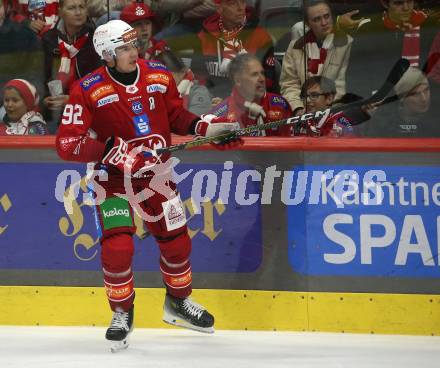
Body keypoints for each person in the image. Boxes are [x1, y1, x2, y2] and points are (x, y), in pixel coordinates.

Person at [55, 19, 241, 352]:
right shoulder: (86, 89)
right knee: (118, 247)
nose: (133, 51)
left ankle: (178, 303)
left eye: (133, 44)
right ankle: (123, 312)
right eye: (124, 48)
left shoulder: (157, 75)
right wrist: (113, 151)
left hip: (156, 176)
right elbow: (67, 143)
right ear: (107, 55)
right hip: (111, 181)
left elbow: (175, 116)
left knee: (177, 243)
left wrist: (205, 128)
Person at [346, 0, 438, 100]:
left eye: (410, 1)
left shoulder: (429, 25)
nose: (406, 8)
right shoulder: (369, 32)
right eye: (399, 3)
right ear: (385, 4)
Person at [280, 0, 353, 115]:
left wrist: (330, 112)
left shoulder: (343, 43)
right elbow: (289, 85)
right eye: (317, 19)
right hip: (304, 111)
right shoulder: (294, 48)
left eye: (326, 16)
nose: (324, 23)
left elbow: (338, 86)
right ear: (308, 24)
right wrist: (298, 109)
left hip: (332, 111)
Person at [193, 0, 276, 99]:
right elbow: (199, 76)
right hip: (213, 102)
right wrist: (209, 98)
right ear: (219, 9)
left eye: (243, 1)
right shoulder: (203, 37)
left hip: (249, 103)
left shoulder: (261, 37)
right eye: (232, 3)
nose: (240, 8)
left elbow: (268, 81)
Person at [210, 53, 292, 136]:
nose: (262, 79)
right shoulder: (220, 114)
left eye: (262, 73)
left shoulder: (280, 105)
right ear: (238, 80)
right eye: (254, 74)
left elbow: (292, 145)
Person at [42, 0, 101, 112]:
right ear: (60, 12)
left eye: (81, 7)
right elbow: (44, 77)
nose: (78, 12)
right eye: (71, 8)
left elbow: (101, 84)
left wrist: (73, 100)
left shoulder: (97, 38)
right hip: (57, 109)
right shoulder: (49, 39)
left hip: (90, 107)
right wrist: (44, 99)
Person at [361, 67, 439, 137]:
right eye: (415, 94)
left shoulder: (436, 119)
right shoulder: (383, 121)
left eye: (426, 90)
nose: (424, 99)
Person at [157, 50, 212, 115]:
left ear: (182, 73)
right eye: (157, 78)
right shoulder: (154, 94)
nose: (161, 82)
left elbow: (193, 123)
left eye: (167, 77)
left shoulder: (198, 93)